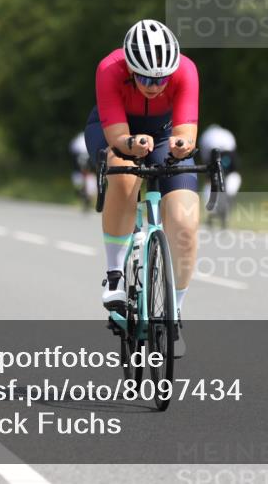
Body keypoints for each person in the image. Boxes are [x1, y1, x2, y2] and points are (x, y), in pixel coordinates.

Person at [84, 19, 198, 355]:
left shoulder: (186, 70)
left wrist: (182, 147)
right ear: (130, 68)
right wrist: (130, 144)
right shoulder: (109, 68)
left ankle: (174, 313)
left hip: (163, 136)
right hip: (118, 130)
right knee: (123, 172)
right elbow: (118, 137)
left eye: (161, 78)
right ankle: (115, 274)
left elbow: (187, 133)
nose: (154, 85)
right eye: (145, 78)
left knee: (186, 224)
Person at [198, 124, 241, 227]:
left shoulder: (205, 136)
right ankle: (227, 197)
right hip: (229, 154)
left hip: (213, 153)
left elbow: (205, 158)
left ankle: (212, 208)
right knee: (233, 175)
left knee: (211, 181)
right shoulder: (226, 133)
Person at [69, 131, 97, 209]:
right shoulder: (85, 137)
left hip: (84, 157)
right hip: (85, 157)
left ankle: (88, 198)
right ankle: (86, 197)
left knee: (87, 178)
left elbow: (72, 149)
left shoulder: (81, 137)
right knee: (85, 178)